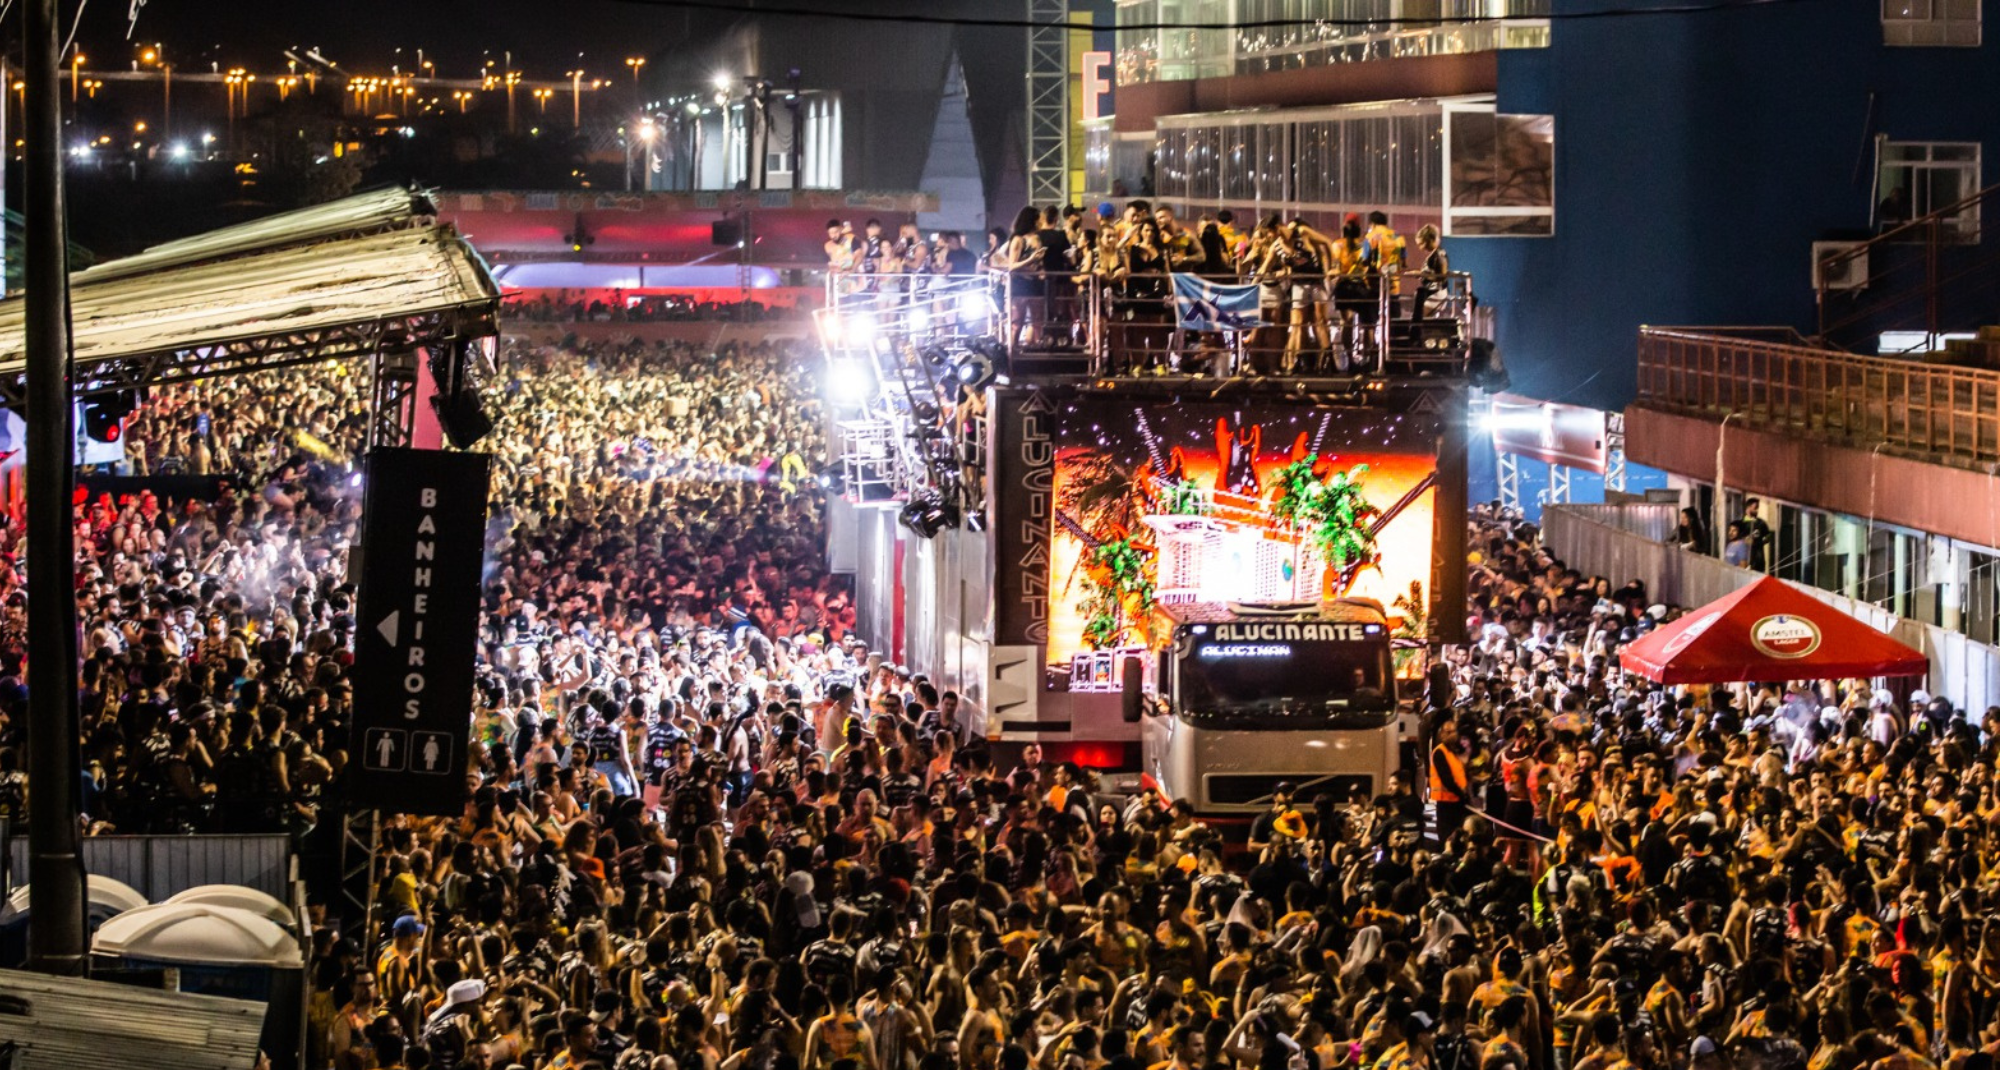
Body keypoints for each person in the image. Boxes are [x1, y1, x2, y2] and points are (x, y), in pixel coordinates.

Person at [1739, 498, 1772, 572]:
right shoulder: (1741, 524)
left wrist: (1761, 542)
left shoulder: (1761, 523)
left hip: (1759, 561)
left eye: (1758, 508)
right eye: (1755, 508)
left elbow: (1768, 536)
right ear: (1748, 508)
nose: (1757, 510)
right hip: (1745, 560)